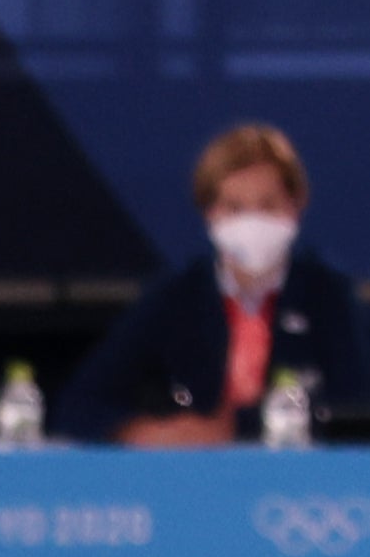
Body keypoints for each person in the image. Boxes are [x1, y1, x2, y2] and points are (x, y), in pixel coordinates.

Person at [62, 124, 363, 448]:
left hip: (304, 487)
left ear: (295, 206)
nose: (252, 222)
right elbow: (80, 405)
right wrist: (146, 432)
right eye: (235, 208)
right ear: (210, 213)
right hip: (193, 483)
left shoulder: (330, 295)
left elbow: (357, 409)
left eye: (267, 205)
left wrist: (238, 429)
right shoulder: (176, 297)